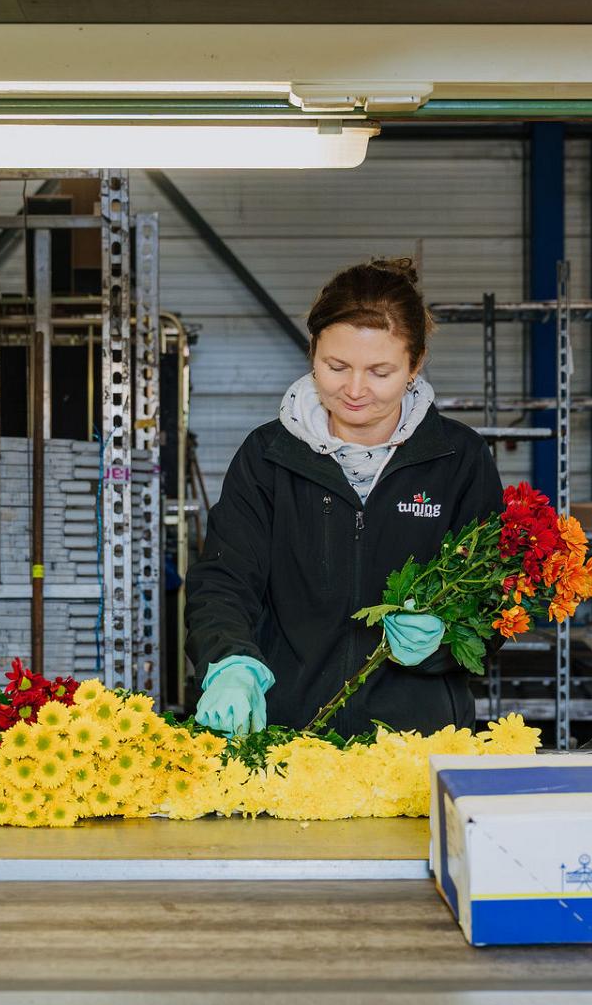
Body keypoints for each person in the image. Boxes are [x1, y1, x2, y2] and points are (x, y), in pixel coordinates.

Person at [185, 258, 505, 738]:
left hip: (418, 741)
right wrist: (230, 661)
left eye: (380, 371)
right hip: (282, 737)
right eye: (336, 367)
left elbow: (495, 598)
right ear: (313, 352)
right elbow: (224, 581)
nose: (355, 390)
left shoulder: (458, 459)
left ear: (414, 365)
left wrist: (446, 637)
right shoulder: (268, 456)